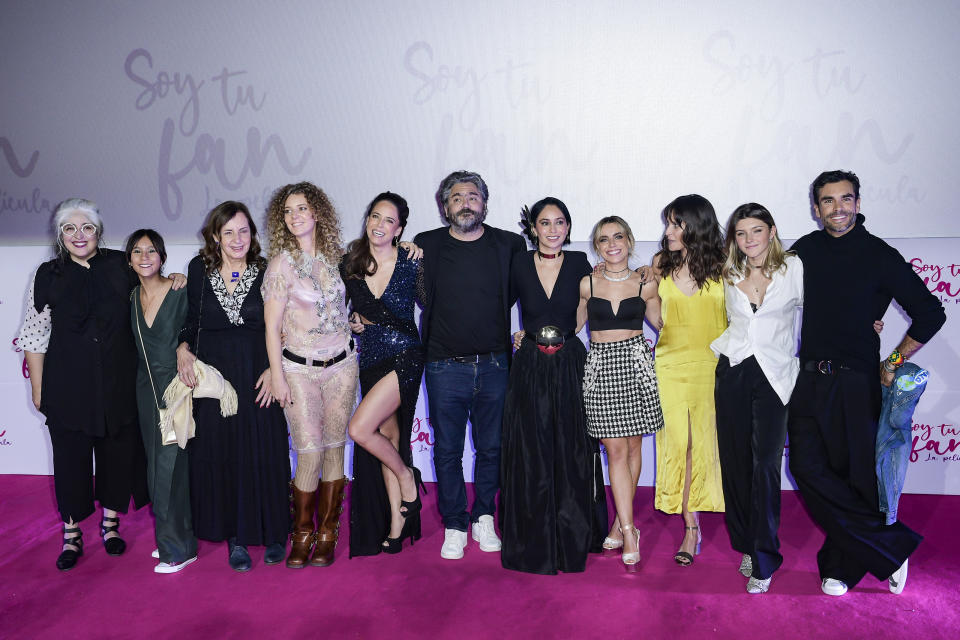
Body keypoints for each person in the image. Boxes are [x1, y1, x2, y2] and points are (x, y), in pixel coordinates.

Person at [788, 170, 945, 596]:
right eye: (827, 201)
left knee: (855, 476)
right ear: (816, 207)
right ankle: (889, 547)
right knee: (804, 466)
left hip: (856, 381)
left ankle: (843, 566)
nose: (837, 208)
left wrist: (894, 358)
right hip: (807, 379)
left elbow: (931, 312)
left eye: (845, 199)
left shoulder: (879, 255)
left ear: (857, 202)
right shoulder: (805, 250)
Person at [19, 198, 151, 570]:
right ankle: (72, 533)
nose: (80, 235)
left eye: (87, 228)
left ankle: (111, 525)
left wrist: (174, 279)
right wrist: (39, 390)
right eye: (70, 229)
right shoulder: (47, 274)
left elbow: (153, 292)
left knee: (116, 456)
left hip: (117, 386)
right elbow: (34, 335)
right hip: (68, 388)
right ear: (60, 235)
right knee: (71, 462)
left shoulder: (121, 267)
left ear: (99, 231)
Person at [414, 170, 526, 560]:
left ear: (485, 203)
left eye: (473, 195)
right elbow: (396, 284)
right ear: (445, 206)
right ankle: (455, 522)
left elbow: (528, 288)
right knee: (446, 450)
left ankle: (484, 516)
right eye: (457, 196)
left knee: (492, 448)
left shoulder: (509, 245)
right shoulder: (425, 245)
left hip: (496, 364)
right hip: (444, 366)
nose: (466, 202)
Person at [177, 201, 290, 572]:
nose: (237, 239)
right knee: (223, 454)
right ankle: (236, 539)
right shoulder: (199, 268)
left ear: (253, 235)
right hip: (216, 381)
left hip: (260, 376)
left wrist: (277, 371)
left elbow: (286, 325)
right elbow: (192, 319)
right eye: (228, 232)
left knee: (266, 451)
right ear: (215, 236)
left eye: (244, 231)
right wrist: (182, 349)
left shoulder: (269, 268)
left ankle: (275, 532)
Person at [499, 198, 608, 574]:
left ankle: (572, 536)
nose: (552, 229)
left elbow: (589, 307)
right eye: (544, 223)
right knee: (531, 450)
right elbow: (494, 305)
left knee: (572, 449)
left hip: (569, 363)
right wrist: (516, 337)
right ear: (533, 229)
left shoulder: (580, 264)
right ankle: (533, 540)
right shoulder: (517, 263)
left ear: (568, 227)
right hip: (529, 364)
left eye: (559, 222)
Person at [709, 204, 803, 593]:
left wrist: (871, 319)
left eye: (757, 231)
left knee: (765, 464)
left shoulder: (794, 269)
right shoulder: (728, 272)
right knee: (735, 464)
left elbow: (833, 303)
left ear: (772, 231)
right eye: (741, 233)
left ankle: (764, 558)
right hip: (733, 372)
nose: (749, 240)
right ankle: (747, 543)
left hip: (775, 376)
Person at [340, 192, 425, 556]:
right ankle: (396, 523)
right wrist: (351, 320)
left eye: (389, 220)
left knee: (360, 429)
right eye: (375, 216)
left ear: (400, 228)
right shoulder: (350, 263)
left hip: (405, 355)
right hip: (370, 358)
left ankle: (408, 478)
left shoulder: (411, 260)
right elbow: (336, 310)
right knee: (387, 439)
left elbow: (431, 302)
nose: (379, 225)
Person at [580, 216, 664, 571]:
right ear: (596, 247)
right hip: (600, 368)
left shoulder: (645, 284)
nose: (611, 244)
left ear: (629, 241)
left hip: (635, 365)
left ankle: (618, 522)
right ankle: (630, 531)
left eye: (618, 237)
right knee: (614, 449)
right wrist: (530, 334)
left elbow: (663, 325)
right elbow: (571, 324)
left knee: (632, 447)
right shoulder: (587, 283)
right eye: (603, 239)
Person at [650, 194, 727, 566]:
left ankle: (697, 518)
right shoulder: (660, 265)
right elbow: (654, 313)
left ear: (696, 226)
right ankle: (690, 526)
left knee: (704, 445)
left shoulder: (726, 265)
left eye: (675, 224)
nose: (667, 232)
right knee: (676, 445)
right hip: (668, 367)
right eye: (668, 223)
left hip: (712, 368)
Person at [125, 229, 198, 573]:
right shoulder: (131, 298)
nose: (144, 256)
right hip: (145, 391)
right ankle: (177, 538)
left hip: (176, 390)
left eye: (151, 250)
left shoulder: (180, 289)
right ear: (129, 260)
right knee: (158, 466)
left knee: (170, 467)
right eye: (137, 251)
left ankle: (176, 550)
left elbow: (193, 332)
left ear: (162, 256)